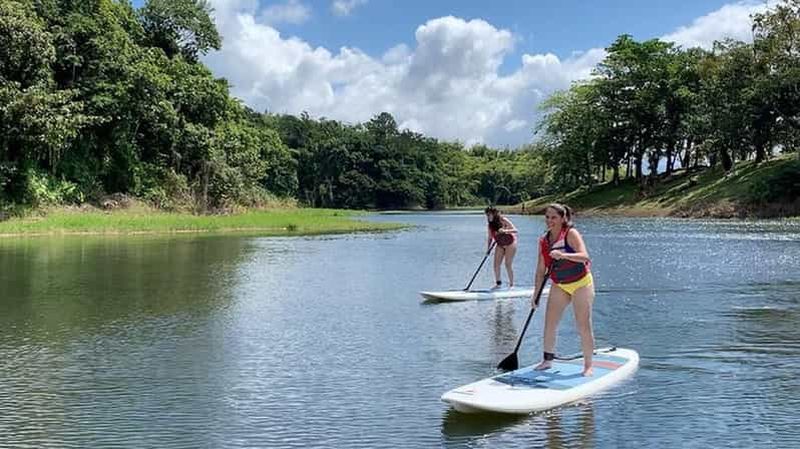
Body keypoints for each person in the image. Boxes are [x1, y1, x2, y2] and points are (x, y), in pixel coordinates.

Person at [531, 203, 595, 376]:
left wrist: (563, 255)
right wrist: (536, 294)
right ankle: (547, 360)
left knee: (583, 324)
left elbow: (585, 256)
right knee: (550, 323)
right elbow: (540, 269)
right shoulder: (544, 240)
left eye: (554, 217)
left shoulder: (571, 233)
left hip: (581, 283)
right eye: (547, 217)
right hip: (560, 284)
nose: (549, 220)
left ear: (563, 218)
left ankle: (588, 366)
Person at [484, 206, 519, 289]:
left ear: (494, 214)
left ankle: (511, 285)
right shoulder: (490, 225)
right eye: (487, 215)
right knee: (496, 265)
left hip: (510, 243)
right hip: (500, 244)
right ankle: (498, 284)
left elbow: (515, 230)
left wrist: (505, 231)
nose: (488, 217)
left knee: (507, 264)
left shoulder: (503, 220)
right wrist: (488, 249)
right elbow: (490, 238)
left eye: (489, 214)